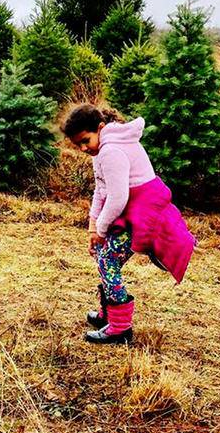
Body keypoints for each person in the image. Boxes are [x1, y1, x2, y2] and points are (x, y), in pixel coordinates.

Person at [63, 105, 196, 345]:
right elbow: (101, 190)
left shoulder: (110, 151)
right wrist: (93, 226)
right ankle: (109, 314)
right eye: (78, 145)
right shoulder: (101, 149)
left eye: (85, 140)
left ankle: (120, 328)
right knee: (104, 258)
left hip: (139, 214)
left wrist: (101, 230)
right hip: (127, 212)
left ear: (100, 128)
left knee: (107, 261)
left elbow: (117, 198)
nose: (83, 148)